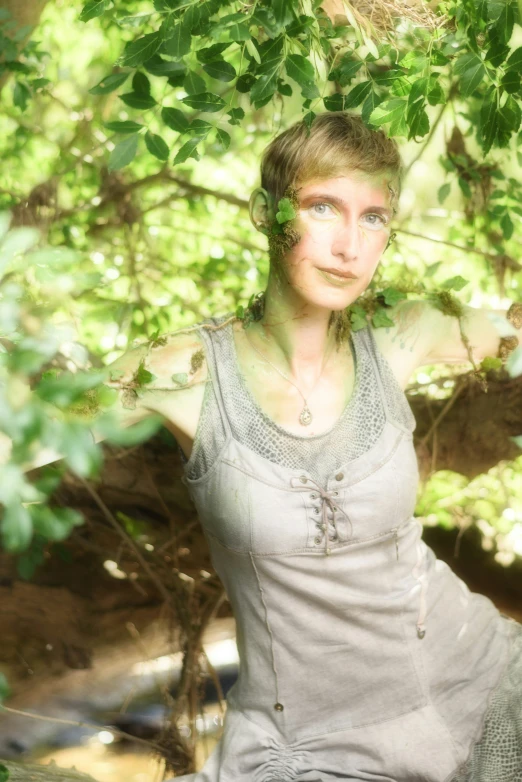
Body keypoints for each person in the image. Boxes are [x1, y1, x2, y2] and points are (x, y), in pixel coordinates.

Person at [69, 112, 522, 779]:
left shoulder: (401, 331)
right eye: (322, 207)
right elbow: (29, 429)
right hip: (312, 746)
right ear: (264, 212)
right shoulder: (182, 371)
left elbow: (510, 335)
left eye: (373, 218)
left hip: (481, 681)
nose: (349, 246)